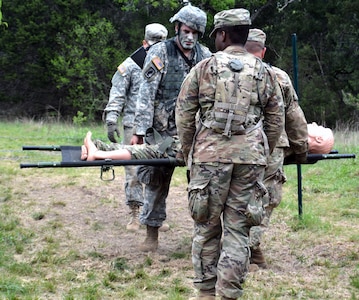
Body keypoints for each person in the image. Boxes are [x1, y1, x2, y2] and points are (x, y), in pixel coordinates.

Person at [176, 8, 284, 300]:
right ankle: (228, 296)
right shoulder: (266, 72)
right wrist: (261, 152)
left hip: (209, 157)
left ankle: (206, 294)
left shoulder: (204, 68)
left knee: (207, 228)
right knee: (238, 230)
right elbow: (276, 120)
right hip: (250, 159)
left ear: (223, 35)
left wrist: (189, 153)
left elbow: (184, 116)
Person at [130, 4, 212, 252]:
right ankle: (151, 232)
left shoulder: (205, 56)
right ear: (177, 28)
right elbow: (146, 93)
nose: (189, 37)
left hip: (196, 133)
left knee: (203, 184)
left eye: (195, 33)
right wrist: (139, 131)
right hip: (163, 133)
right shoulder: (159, 53)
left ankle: (203, 235)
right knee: (156, 180)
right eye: (186, 31)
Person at [244, 28, 308, 270]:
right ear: (263, 50)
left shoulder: (220, 71)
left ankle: (240, 247)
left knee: (236, 195)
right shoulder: (277, 76)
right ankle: (251, 247)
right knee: (266, 197)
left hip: (232, 146)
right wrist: (301, 149)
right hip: (270, 147)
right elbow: (293, 116)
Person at [103, 23, 168, 231]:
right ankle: (134, 212)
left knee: (157, 171)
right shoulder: (130, 66)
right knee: (132, 170)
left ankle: (153, 215)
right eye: (152, 44)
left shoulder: (167, 64)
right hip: (133, 125)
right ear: (144, 43)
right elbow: (118, 93)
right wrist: (112, 118)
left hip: (158, 127)